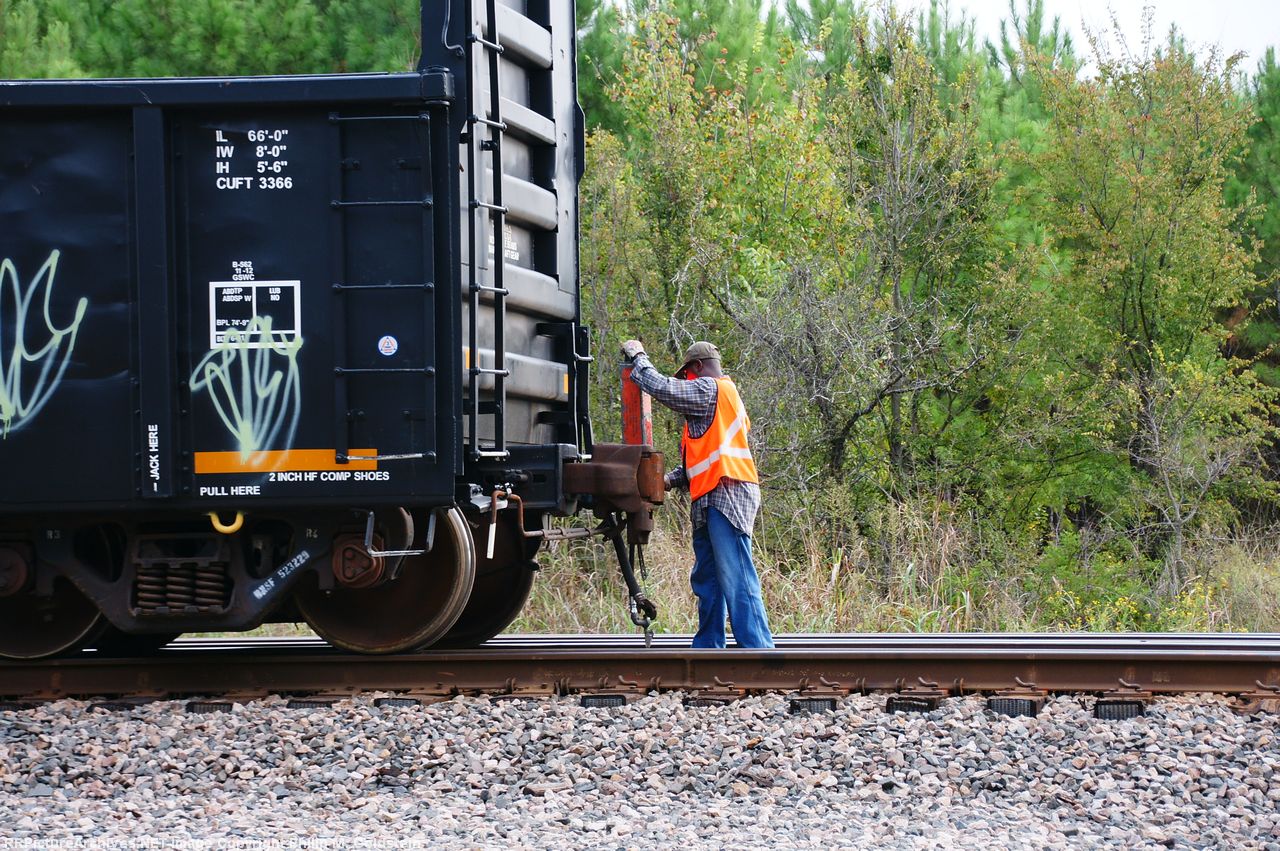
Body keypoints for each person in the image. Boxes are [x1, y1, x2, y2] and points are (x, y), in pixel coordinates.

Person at [620, 338, 775, 649]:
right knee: (708, 578)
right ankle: (708, 647)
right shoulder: (717, 401)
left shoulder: (711, 389)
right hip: (711, 494)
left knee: (736, 574)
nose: (686, 383)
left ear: (698, 368)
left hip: (727, 491)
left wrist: (639, 355)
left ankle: (760, 652)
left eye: (687, 377)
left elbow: (663, 388)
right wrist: (667, 480)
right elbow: (699, 462)